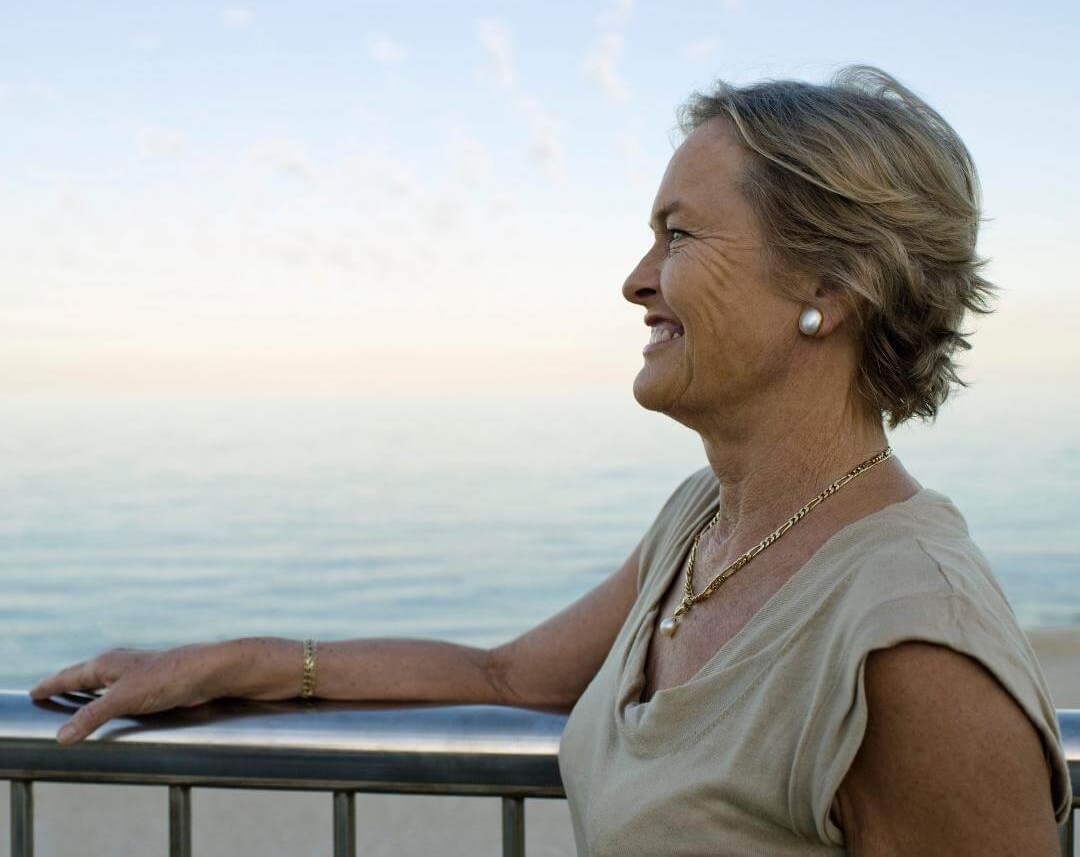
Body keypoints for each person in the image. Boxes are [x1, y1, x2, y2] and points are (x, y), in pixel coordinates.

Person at [29, 65, 1072, 853]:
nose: (635, 279)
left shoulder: (916, 648)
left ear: (833, 286)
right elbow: (509, 674)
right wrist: (233, 664)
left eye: (678, 236)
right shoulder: (708, 521)